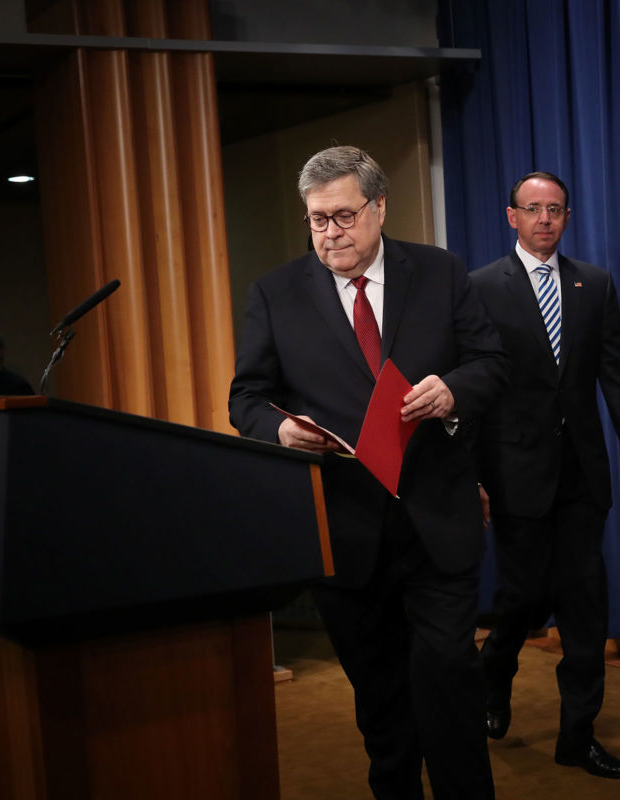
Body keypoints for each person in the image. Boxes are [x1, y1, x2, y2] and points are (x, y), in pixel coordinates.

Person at [229, 146, 508, 799]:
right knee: (381, 702)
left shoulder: (440, 273)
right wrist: (280, 428)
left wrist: (453, 391)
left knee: (447, 679)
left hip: (437, 520)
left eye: (345, 217)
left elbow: (491, 364)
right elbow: (246, 398)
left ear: (380, 208)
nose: (331, 235)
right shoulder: (274, 293)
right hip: (344, 530)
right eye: (318, 221)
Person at [470, 172, 620, 780]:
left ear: (567, 217)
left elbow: (619, 377)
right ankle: (492, 680)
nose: (545, 219)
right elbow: (470, 391)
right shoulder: (479, 289)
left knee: (585, 606)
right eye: (533, 209)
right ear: (512, 217)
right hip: (514, 471)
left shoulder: (593, 284)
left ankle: (577, 736)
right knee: (520, 600)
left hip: (582, 475)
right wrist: (471, 477)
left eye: (555, 209)